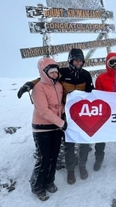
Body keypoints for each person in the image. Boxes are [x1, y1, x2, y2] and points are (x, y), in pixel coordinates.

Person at [18, 48, 94, 185]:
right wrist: (30, 84)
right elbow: (45, 77)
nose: (78, 62)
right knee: (69, 143)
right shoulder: (62, 73)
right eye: (76, 60)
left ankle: (82, 166)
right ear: (70, 60)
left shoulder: (86, 75)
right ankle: (70, 170)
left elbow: (92, 94)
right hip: (67, 114)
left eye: (80, 60)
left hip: (83, 114)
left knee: (84, 142)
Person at [30, 57, 66, 201]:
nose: (54, 74)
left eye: (55, 72)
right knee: (44, 158)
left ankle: (49, 181)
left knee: (54, 156)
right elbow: (44, 110)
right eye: (50, 72)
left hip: (56, 127)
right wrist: (61, 123)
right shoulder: (38, 88)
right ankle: (38, 186)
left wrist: (63, 112)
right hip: (42, 128)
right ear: (44, 72)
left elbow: (60, 104)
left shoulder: (58, 86)